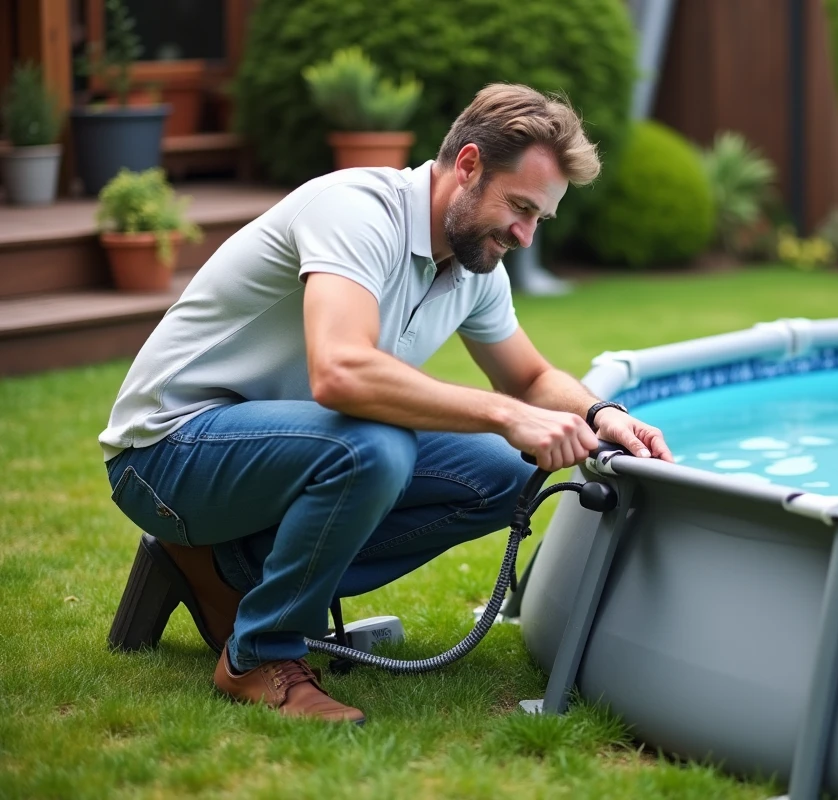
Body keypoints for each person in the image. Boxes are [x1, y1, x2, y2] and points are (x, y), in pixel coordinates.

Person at [100, 83, 673, 725]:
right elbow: (341, 373)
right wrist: (506, 415)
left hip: (274, 455)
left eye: (541, 217)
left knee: (508, 473)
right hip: (165, 453)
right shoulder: (357, 211)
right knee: (374, 445)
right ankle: (258, 657)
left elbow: (531, 376)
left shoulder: (475, 266)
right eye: (520, 207)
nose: (527, 234)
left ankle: (226, 566)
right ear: (468, 165)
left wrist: (602, 416)